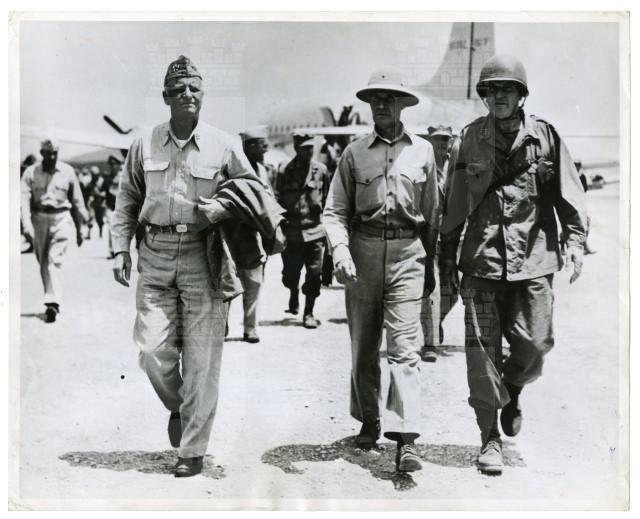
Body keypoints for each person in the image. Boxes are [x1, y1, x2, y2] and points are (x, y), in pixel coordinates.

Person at [111, 56, 279, 478]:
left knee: (203, 359)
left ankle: (192, 451)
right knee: (153, 349)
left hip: (204, 255)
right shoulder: (144, 143)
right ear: (166, 97)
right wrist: (120, 248)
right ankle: (181, 406)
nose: (187, 95)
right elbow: (128, 198)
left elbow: (252, 188)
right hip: (155, 252)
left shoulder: (224, 144)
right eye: (179, 90)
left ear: (203, 95)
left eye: (194, 89)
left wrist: (222, 208)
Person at [440, 55, 588, 475]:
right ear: (483, 96)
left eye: (506, 89)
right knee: (481, 355)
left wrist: (576, 241)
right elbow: (454, 202)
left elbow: (569, 194)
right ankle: (489, 438)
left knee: (536, 345)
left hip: (533, 260)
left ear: (522, 94)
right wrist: (445, 257)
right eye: (491, 90)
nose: (498, 96)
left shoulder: (545, 137)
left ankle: (513, 387)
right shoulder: (469, 139)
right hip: (482, 264)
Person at [323, 67, 439, 472]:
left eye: (389, 99)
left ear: (403, 104)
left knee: (405, 349)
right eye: (375, 99)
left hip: (408, 253)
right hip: (363, 253)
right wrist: (341, 251)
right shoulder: (354, 153)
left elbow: (432, 214)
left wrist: (430, 263)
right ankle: (369, 419)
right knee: (364, 346)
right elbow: (335, 210)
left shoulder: (423, 152)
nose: (381, 105)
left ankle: (405, 438)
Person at [20, 139, 87, 322]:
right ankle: (51, 299)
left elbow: (77, 201)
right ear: (41, 153)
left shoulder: (67, 171)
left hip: (61, 218)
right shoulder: (30, 173)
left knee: (54, 259)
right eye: (48, 153)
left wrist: (80, 228)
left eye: (54, 153)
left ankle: (53, 303)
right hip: (39, 219)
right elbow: (23, 201)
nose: (51, 157)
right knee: (43, 261)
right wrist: (26, 226)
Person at [275, 133, 331, 329]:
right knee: (290, 275)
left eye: (311, 148)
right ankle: (293, 292)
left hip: (315, 231)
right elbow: (277, 200)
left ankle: (309, 312)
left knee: (315, 274)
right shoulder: (284, 170)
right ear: (296, 148)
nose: (309, 152)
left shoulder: (321, 170)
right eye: (305, 148)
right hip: (292, 233)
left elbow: (328, 200)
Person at [419, 125, 454, 362]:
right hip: (428, 236)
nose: (442, 144)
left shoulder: (457, 167)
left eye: (445, 140)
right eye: (437, 140)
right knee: (432, 289)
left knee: (454, 291)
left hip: (453, 237)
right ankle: (430, 343)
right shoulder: (422, 166)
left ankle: (436, 320)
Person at [236, 126, 272, 343]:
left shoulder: (263, 170)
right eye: (261, 147)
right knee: (228, 281)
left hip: (256, 236)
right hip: (234, 234)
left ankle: (250, 328)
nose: (264, 151)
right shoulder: (233, 168)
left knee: (254, 282)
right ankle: (222, 324)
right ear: (250, 147)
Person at [104, 155, 123, 259]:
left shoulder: (124, 177)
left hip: (121, 207)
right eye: (111, 165)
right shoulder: (107, 178)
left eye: (114, 164)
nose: (112, 166)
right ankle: (112, 250)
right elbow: (101, 189)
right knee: (111, 228)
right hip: (110, 207)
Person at [89, 165, 107, 238]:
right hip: (95, 202)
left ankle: (100, 231)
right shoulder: (92, 182)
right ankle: (89, 233)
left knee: (100, 218)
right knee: (92, 217)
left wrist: (98, 194)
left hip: (101, 202)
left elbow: (106, 192)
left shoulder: (102, 181)